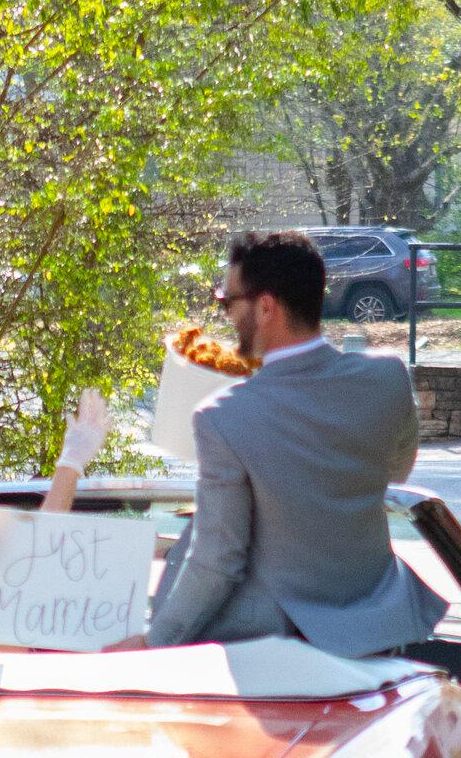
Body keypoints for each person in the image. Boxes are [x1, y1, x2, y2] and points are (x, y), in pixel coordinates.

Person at [145, 229, 444, 651]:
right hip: (380, 640)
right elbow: (395, 471)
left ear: (266, 306)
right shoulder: (388, 377)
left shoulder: (223, 415)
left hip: (278, 654)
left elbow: (217, 561)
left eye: (228, 301)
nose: (227, 315)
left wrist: (152, 645)